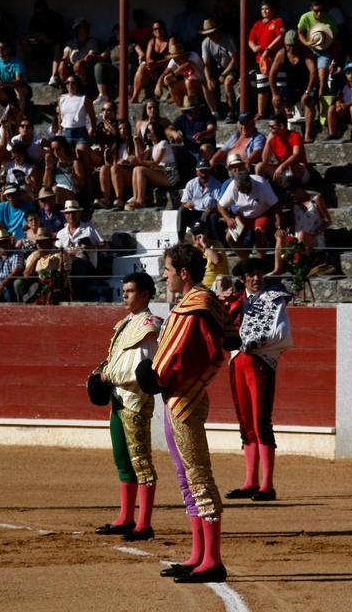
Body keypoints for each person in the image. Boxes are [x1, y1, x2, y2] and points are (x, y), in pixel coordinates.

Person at [135, 244, 238, 583]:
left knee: (198, 476)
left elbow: (196, 350)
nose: (164, 275)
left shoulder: (197, 304)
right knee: (186, 478)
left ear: (183, 272)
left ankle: (213, 560)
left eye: (167, 269)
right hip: (174, 397)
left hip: (185, 397)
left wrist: (158, 373)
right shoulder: (189, 304)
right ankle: (199, 554)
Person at [89, 272, 162, 541]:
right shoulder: (125, 324)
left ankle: (144, 524)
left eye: (130, 291)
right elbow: (116, 361)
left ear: (144, 294)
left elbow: (142, 368)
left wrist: (108, 376)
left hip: (135, 400)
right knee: (122, 460)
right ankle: (126, 517)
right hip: (118, 399)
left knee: (141, 461)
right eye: (124, 291)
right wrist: (101, 372)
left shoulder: (150, 325)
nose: (125, 295)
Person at [222, 257, 293, 502]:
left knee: (261, 421)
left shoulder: (275, 299)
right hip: (237, 362)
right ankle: (250, 481)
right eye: (250, 275)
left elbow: (282, 335)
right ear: (242, 279)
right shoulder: (235, 302)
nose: (255, 278)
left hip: (260, 362)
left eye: (259, 274)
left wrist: (256, 344)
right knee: (246, 422)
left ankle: (267, 485)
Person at [219, 152, 278, 254]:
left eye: (239, 166)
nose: (236, 170)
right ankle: (245, 260)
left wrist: (279, 225)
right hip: (243, 215)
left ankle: (262, 261)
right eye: (233, 167)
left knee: (259, 232)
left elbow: (276, 205)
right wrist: (228, 219)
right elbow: (220, 206)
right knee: (229, 237)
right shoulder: (231, 184)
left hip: (262, 213)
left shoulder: (261, 182)